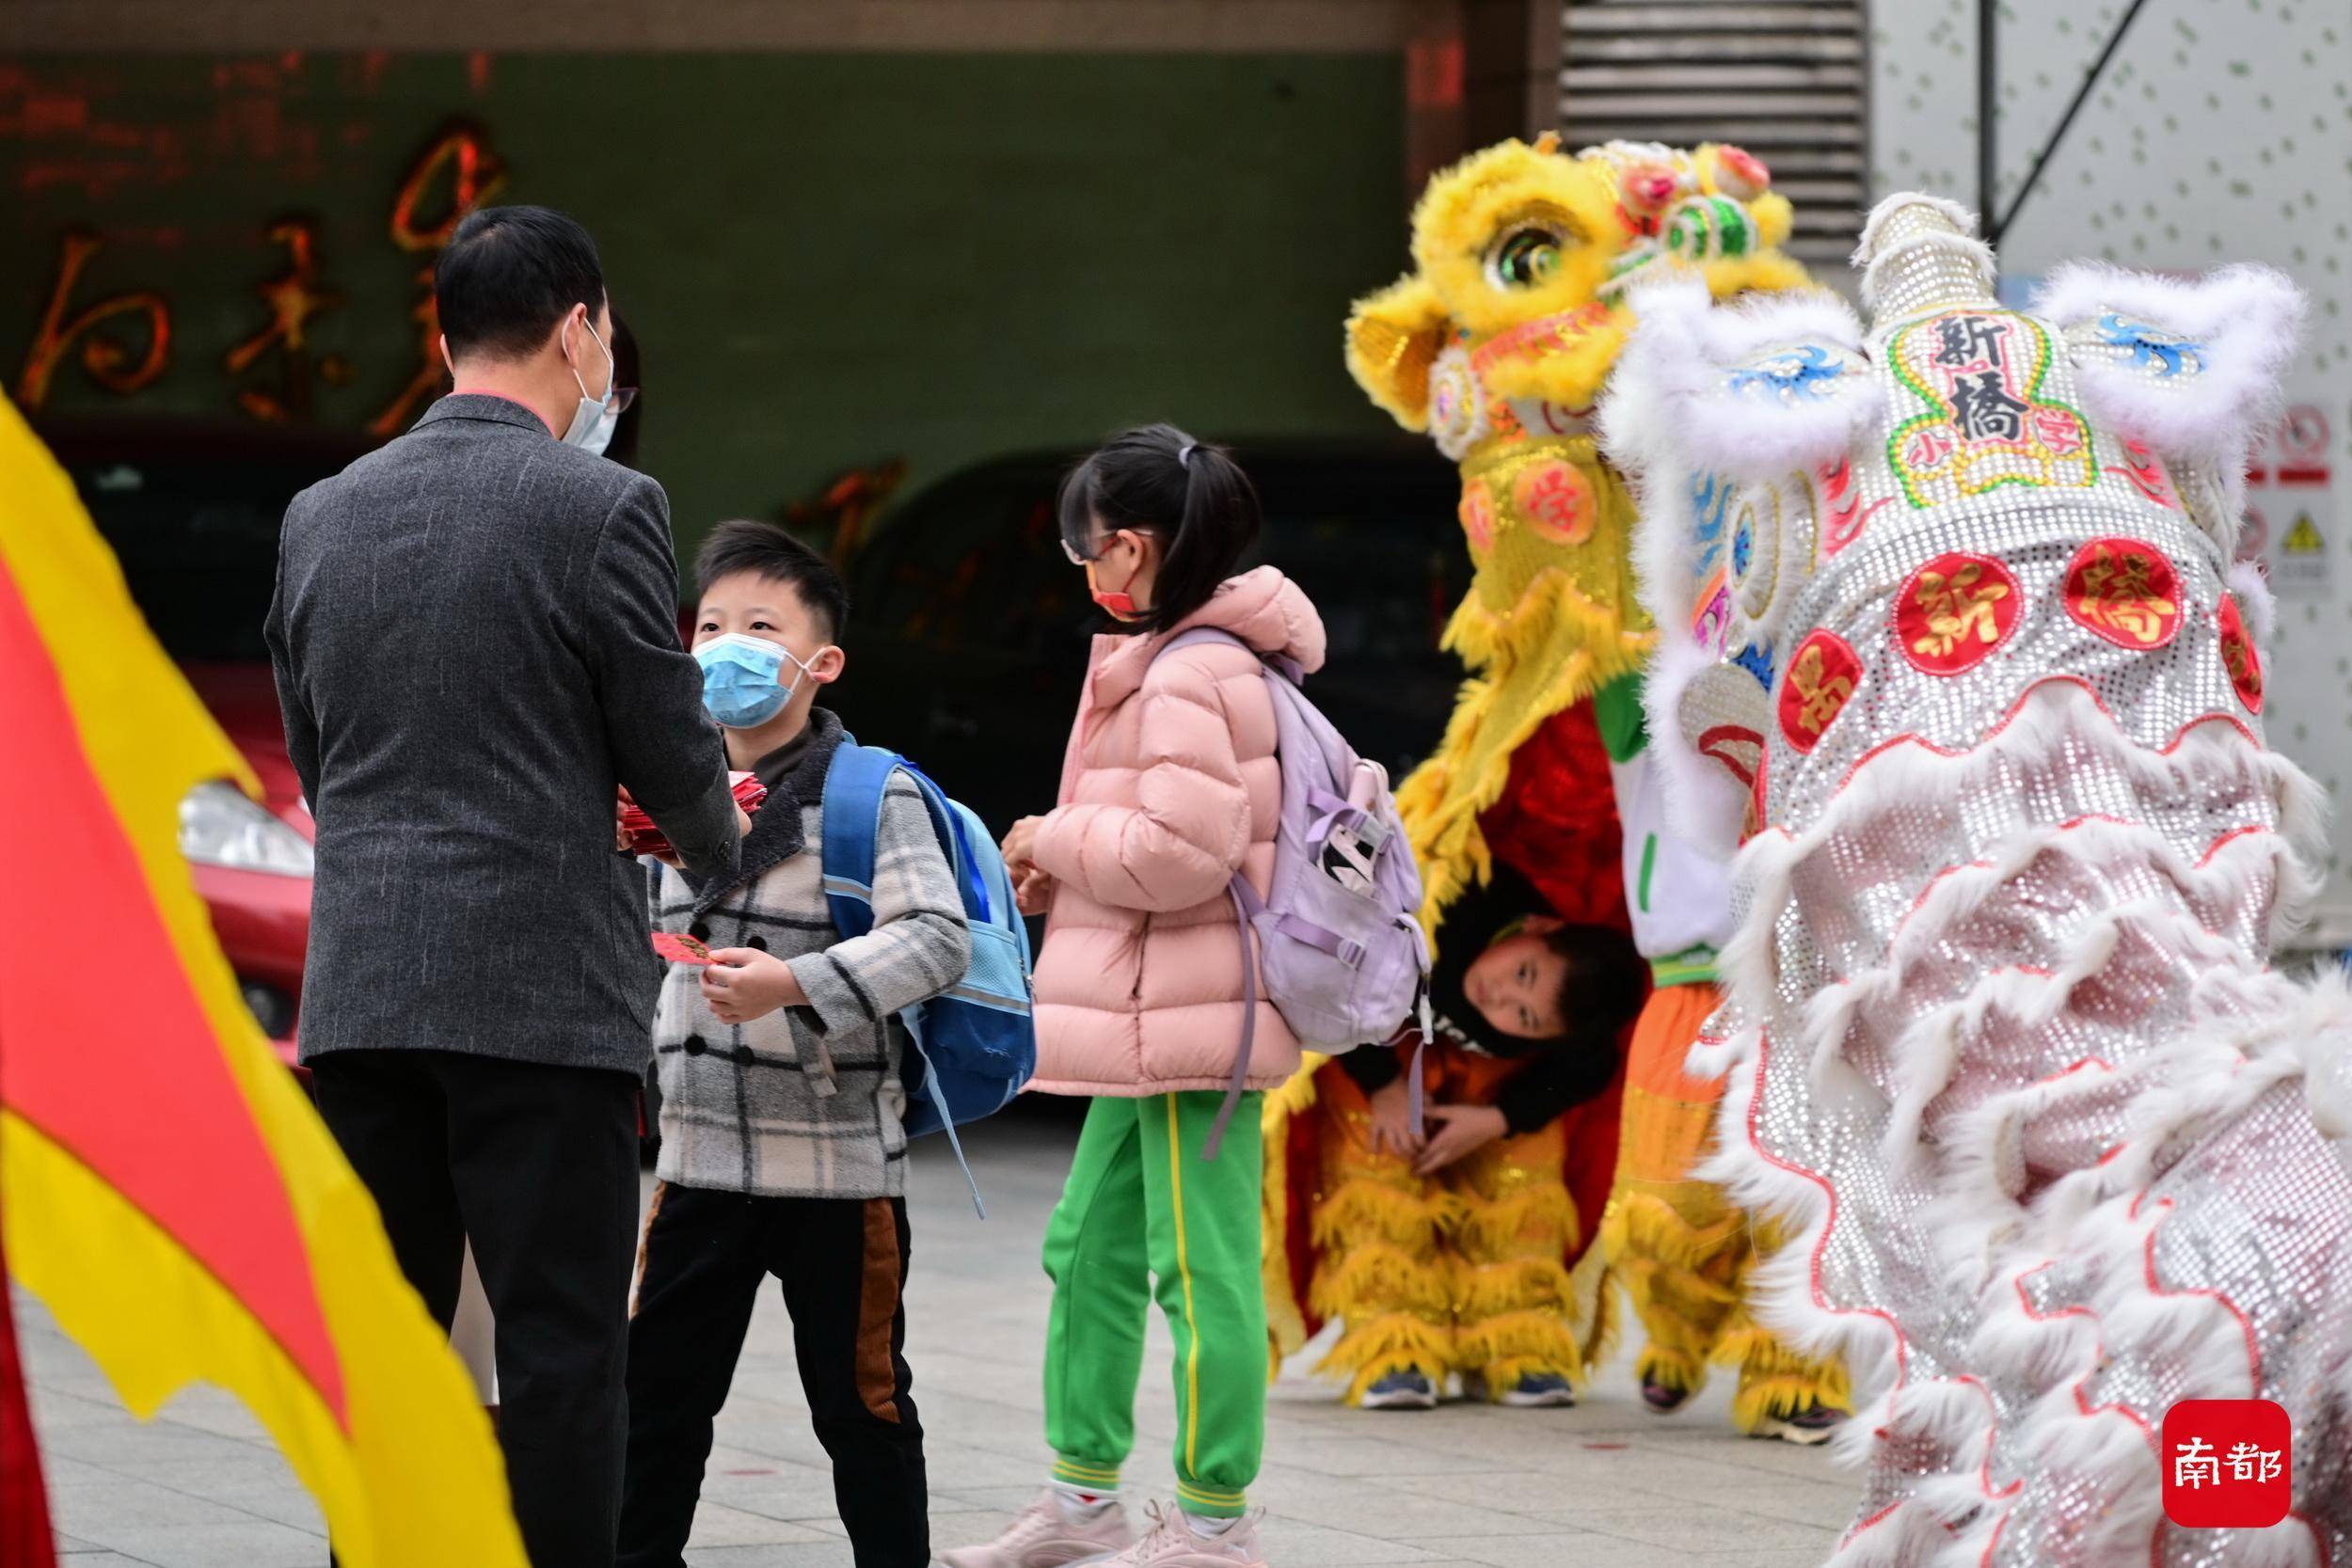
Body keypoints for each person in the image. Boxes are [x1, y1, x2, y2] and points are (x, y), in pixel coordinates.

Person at [264, 204, 743, 1568]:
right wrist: (711, 839)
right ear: (583, 327)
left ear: (440, 337)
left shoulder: (321, 512)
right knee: (560, 1351)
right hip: (540, 1001)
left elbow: (318, 755)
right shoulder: (605, 506)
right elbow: (666, 741)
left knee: (389, 1347)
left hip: (361, 991)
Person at [943, 425, 1318, 1568]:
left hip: (1193, 1017)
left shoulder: (1192, 671)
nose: (1082, 572)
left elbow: (1182, 851)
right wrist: (1066, 862)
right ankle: (1083, 1494)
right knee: (1088, 1249)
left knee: (1198, 1272)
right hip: (1147, 1010)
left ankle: (1213, 1519)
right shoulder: (1175, 658)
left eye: (1078, 550)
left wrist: (1053, 833)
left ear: (1127, 546)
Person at [618, 521, 965, 1568]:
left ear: (822, 662)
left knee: (862, 1408)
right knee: (655, 1403)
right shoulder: (658, 794)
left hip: (838, 1168)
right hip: (698, 1161)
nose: (726, 642)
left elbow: (937, 938)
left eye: (760, 626)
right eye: (712, 622)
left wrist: (798, 984)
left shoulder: (872, 791)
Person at [1279, 863, 1645, 1411]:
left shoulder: (1579, 1035)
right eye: (1522, 974)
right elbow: (1336, 975)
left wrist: (1500, 1119)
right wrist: (1384, 1086)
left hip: (1490, 1086)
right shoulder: (1458, 900)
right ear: (1539, 928)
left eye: (1525, 1017)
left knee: (1522, 1189)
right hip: (1379, 1044)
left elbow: (1589, 1072)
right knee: (1377, 1172)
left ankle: (1514, 1340)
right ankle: (1393, 1343)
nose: (1498, 999)